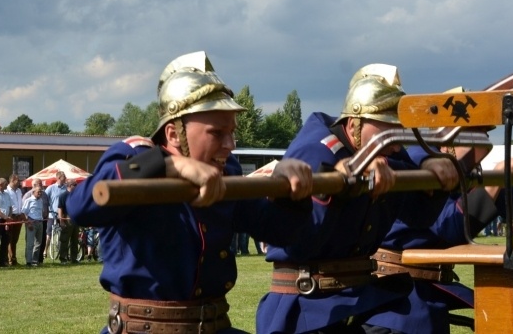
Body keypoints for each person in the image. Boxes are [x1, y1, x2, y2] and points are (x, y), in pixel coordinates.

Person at [68, 51, 313, 334]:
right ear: (173, 134)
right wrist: (167, 165)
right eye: (217, 133)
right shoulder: (133, 157)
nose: (230, 144)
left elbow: (279, 232)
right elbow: (80, 206)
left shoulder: (227, 171)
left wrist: (293, 191)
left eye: (232, 132)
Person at [256, 63, 462, 334]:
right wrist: (343, 181)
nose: (397, 143)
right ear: (354, 124)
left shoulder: (389, 156)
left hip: (357, 297)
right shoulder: (318, 154)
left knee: (412, 324)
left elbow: (418, 215)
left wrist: (432, 175)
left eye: (400, 131)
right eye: (388, 132)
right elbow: (298, 243)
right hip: (308, 308)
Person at [366, 117, 513, 334]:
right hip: (396, 299)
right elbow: (449, 226)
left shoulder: (461, 165)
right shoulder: (420, 159)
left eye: (485, 132)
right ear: (447, 134)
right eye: (475, 131)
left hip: (425, 293)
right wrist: (499, 176)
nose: (484, 140)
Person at [22, 177, 50, 264]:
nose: (40, 193)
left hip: (40, 222)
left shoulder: (41, 200)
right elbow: (24, 212)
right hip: (31, 222)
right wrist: (28, 222)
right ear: (33, 192)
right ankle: (29, 261)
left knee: (39, 243)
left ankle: (35, 260)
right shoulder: (28, 200)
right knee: (30, 243)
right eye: (38, 192)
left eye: (41, 192)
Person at [44, 171, 67, 262]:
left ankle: (63, 252)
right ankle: (45, 250)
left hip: (63, 214)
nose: (65, 179)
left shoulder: (66, 188)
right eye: (63, 177)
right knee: (49, 234)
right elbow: (45, 199)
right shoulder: (51, 188)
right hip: (52, 214)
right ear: (58, 178)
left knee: (63, 233)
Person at [57, 179, 80, 264]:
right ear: (70, 186)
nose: (76, 186)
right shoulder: (63, 195)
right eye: (75, 185)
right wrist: (61, 220)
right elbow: (60, 208)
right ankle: (63, 258)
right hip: (67, 218)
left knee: (75, 240)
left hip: (75, 219)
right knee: (65, 240)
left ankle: (74, 258)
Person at [6, 174, 25, 266]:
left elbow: (20, 203)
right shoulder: (6, 191)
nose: (19, 182)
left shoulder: (19, 191)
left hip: (18, 216)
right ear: (12, 180)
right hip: (11, 216)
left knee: (15, 239)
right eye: (18, 180)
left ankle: (13, 258)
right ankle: (11, 259)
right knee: (9, 238)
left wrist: (21, 214)